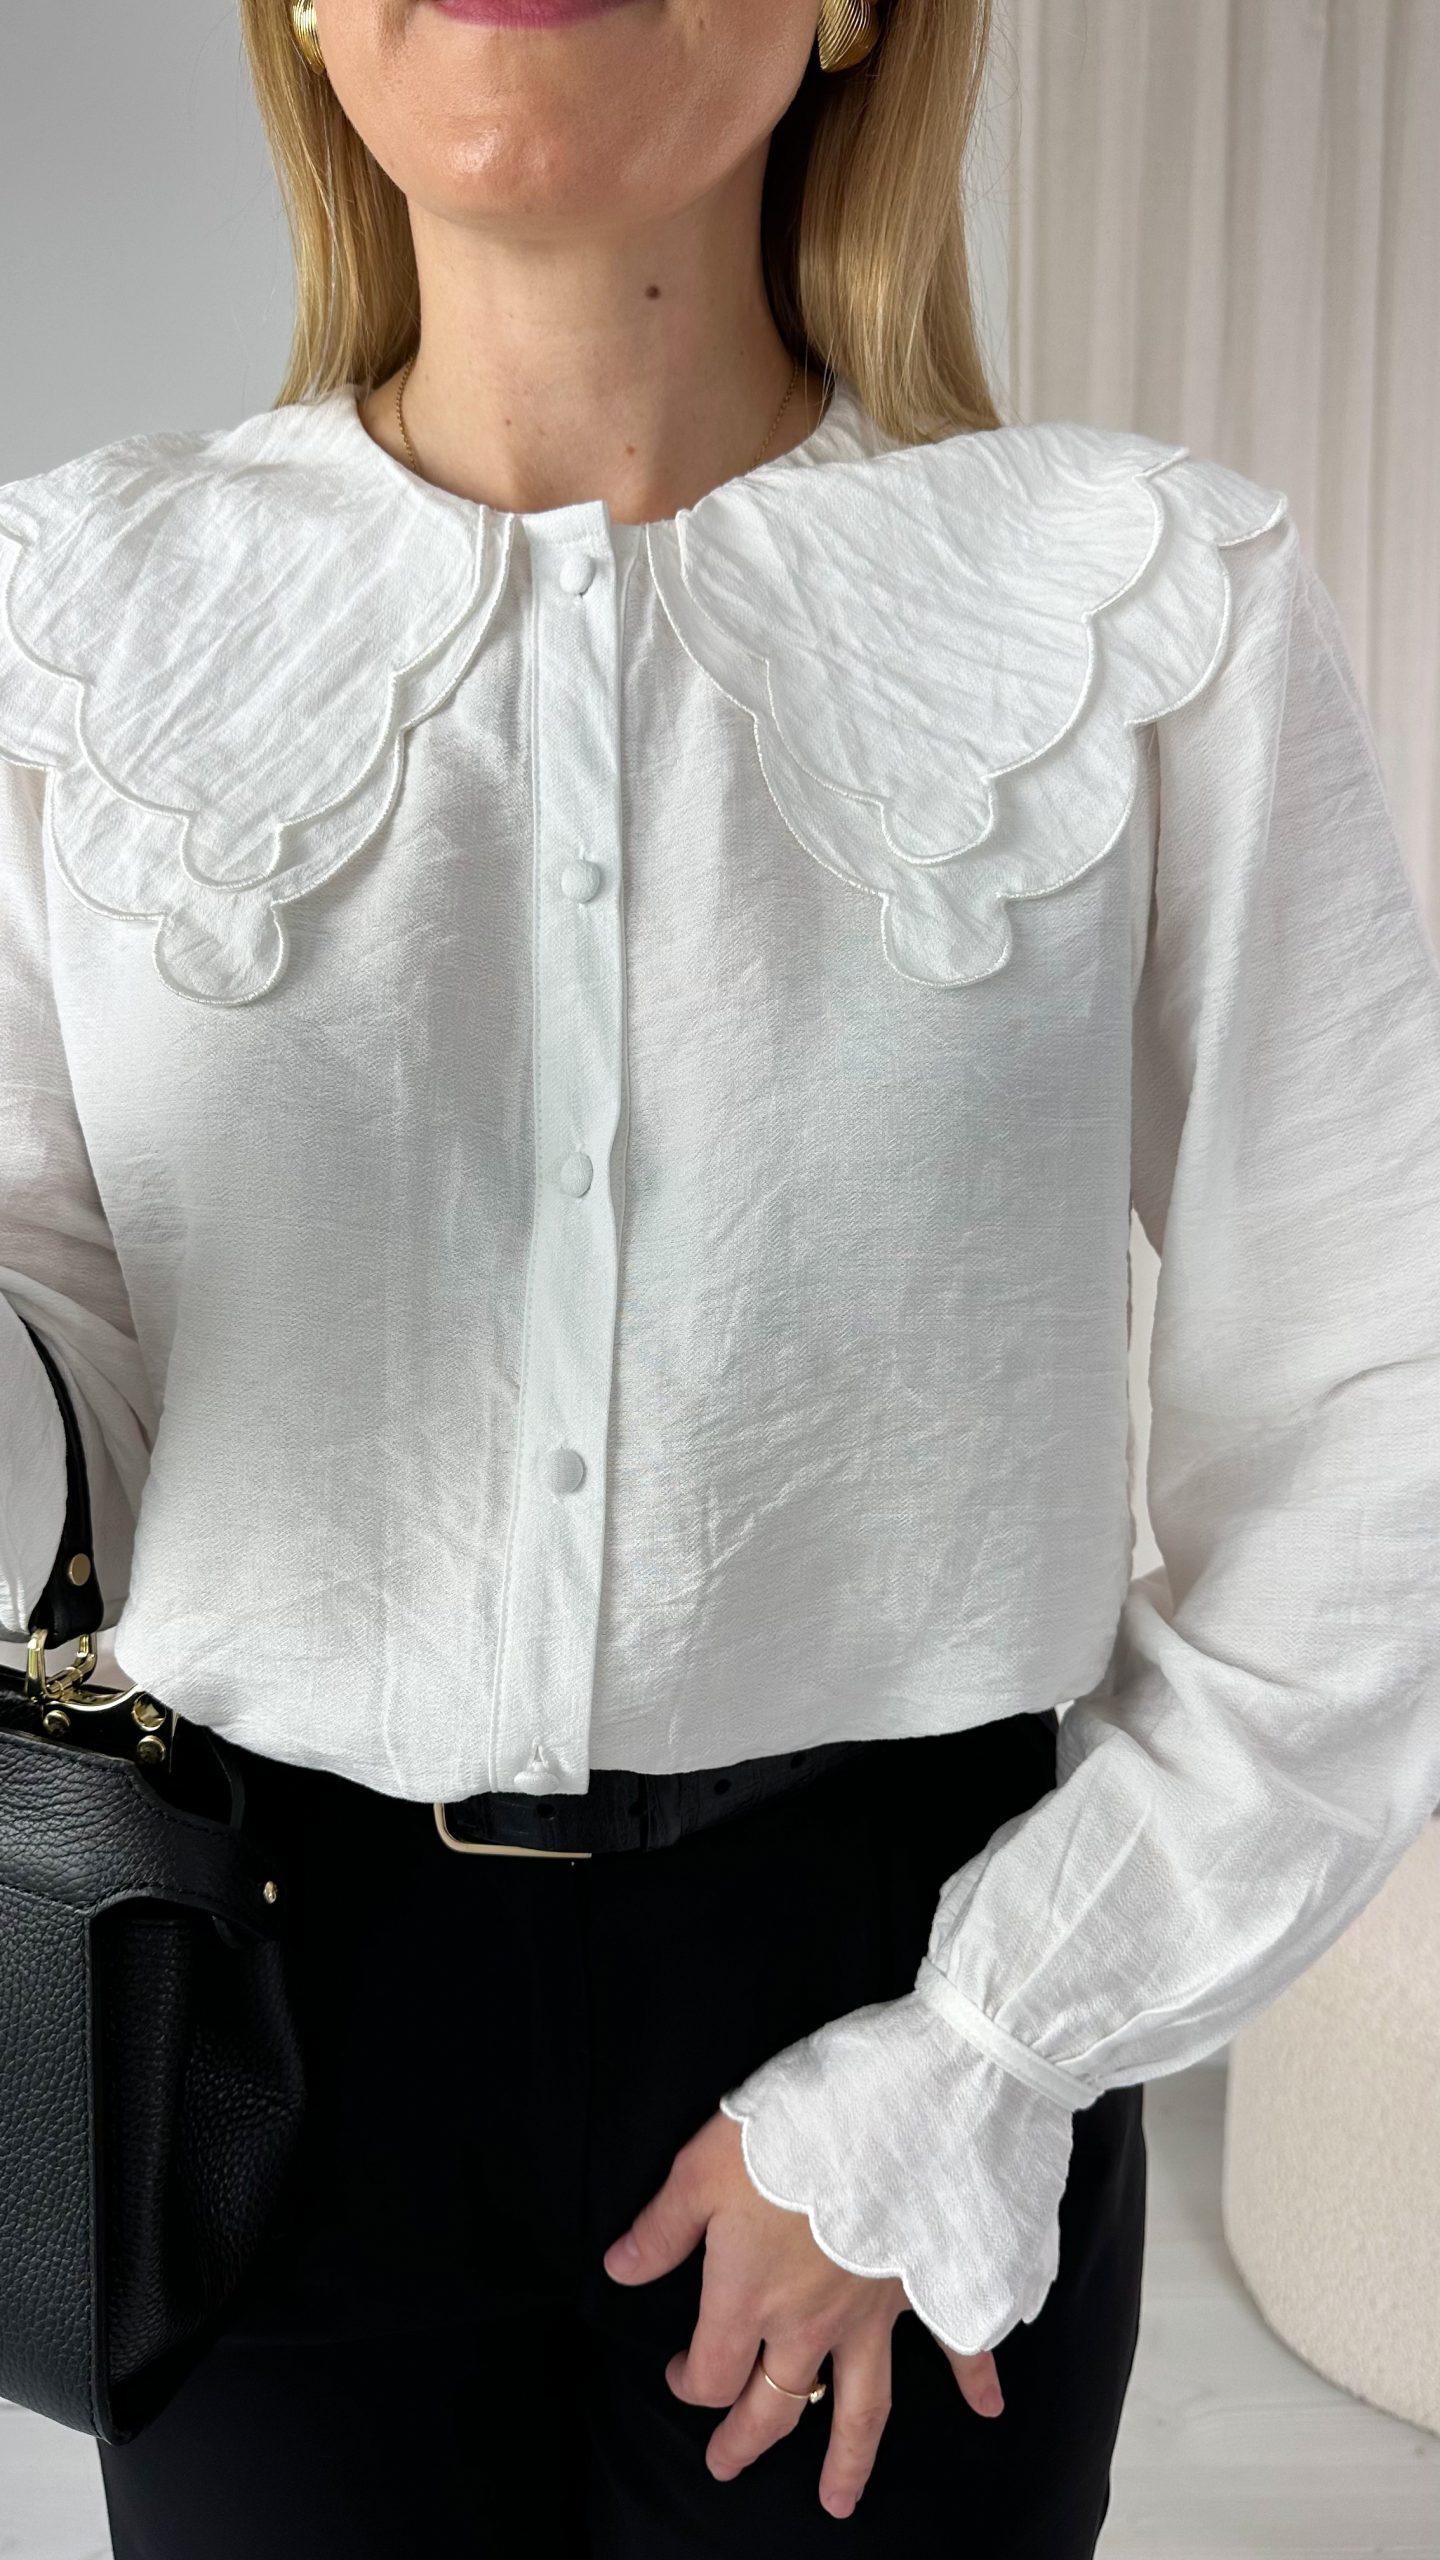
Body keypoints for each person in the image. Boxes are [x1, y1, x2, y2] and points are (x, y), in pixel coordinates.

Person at [2, 0, 1439, 2550]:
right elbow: (61, 1359)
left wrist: (986, 2051)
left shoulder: (1149, 604)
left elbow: (1383, 1386)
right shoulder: (70, 619)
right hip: (243, 2001)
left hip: (899, 1990)